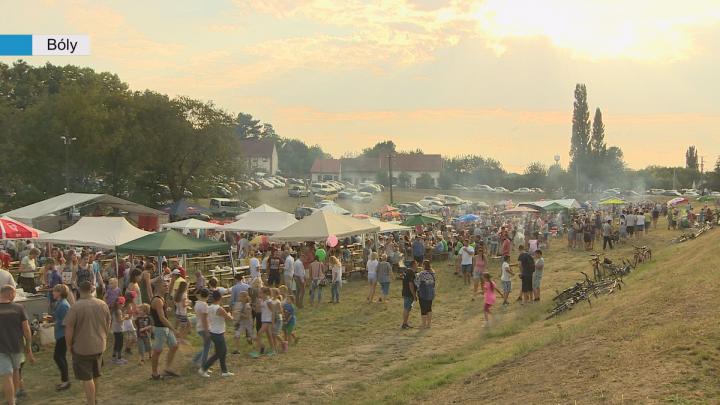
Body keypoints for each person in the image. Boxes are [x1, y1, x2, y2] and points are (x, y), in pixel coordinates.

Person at [64, 281, 110, 405]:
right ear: (91, 289)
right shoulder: (102, 304)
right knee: (96, 374)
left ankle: (91, 402)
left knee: (87, 377)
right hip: (100, 344)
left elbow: (69, 329)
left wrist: (68, 345)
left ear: (79, 290)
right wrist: (104, 337)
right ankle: (94, 399)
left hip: (82, 347)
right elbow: (107, 323)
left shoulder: (76, 307)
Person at [0, 285, 35, 405]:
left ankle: (11, 402)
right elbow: (26, 330)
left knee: (6, 375)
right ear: (10, 294)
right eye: (14, 294)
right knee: (15, 372)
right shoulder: (19, 308)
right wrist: (29, 347)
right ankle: (13, 398)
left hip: (1, 348)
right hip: (17, 346)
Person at [198, 290, 234, 377]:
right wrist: (230, 313)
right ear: (220, 297)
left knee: (223, 351)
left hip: (213, 331)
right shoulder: (219, 308)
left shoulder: (209, 307)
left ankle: (224, 371)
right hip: (218, 333)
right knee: (219, 353)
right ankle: (203, 369)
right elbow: (229, 318)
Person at [149, 278, 179, 380]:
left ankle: (168, 369)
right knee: (157, 351)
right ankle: (154, 374)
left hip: (165, 328)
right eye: (164, 286)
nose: (167, 287)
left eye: (167, 285)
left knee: (174, 346)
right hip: (160, 329)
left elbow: (164, 315)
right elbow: (162, 318)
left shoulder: (162, 298)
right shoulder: (157, 300)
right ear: (158, 287)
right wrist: (173, 329)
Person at [191, 289, 211, 367]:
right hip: (204, 328)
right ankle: (204, 364)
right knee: (207, 347)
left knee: (207, 346)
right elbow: (204, 319)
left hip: (199, 327)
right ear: (207, 296)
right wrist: (207, 331)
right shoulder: (204, 305)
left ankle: (196, 359)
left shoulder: (197, 303)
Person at [415, 261, 436, 329]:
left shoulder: (421, 273)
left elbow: (417, 283)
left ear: (424, 265)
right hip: (431, 292)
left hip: (423, 293)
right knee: (429, 308)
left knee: (423, 309)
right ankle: (429, 324)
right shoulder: (432, 272)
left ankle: (424, 325)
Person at [401, 261, 417, 329]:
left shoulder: (406, 271)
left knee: (407, 309)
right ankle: (404, 324)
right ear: (413, 265)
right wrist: (414, 295)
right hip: (409, 293)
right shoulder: (411, 273)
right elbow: (410, 284)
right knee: (407, 309)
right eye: (416, 264)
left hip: (405, 291)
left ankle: (406, 323)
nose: (417, 265)